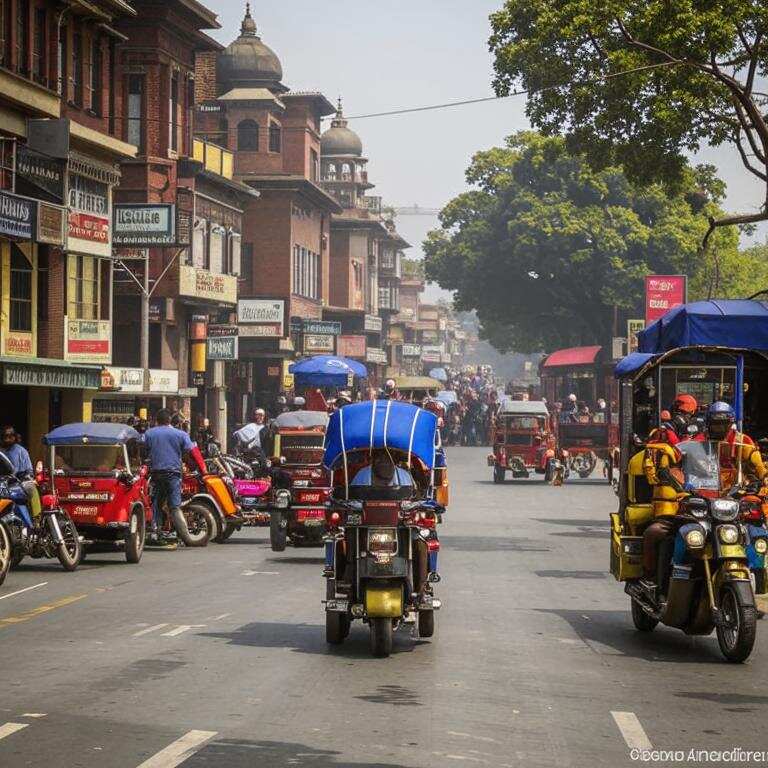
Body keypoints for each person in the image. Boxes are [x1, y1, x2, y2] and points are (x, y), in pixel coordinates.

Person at [144, 409, 206, 546]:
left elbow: (143, 452)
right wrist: (203, 470)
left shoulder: (149, 434)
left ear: (156, 421)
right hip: (174, 474)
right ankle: (187, 538)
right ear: (170, 421)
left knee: (156, 504)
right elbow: (193, 452)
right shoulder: (181, 434)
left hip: (156, 474)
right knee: (175, 506)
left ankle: (155, 533)